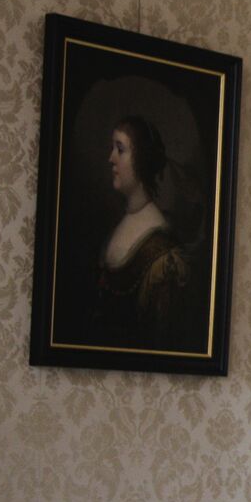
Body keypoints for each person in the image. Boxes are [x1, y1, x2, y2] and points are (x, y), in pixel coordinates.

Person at [93, 115, 194, 349]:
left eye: (120, 149)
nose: (111, 158)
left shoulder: (163, 252)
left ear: (141, 160)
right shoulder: (122, 223)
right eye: (112, 148)